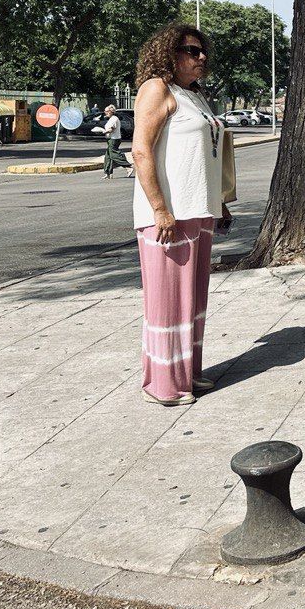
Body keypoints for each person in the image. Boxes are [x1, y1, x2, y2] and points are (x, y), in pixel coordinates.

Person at [131, 24, 228, 406]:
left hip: (197, 211)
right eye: (191, 50)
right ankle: (163, 384)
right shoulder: (157, 89)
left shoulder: (194, 96)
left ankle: (187, 372)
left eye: (203, 51)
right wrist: (160, 209)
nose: (201, 57)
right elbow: (141, 150)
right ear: (170, 54)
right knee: (168, 300)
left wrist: (219, 202)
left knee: (192, 300)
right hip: (168, 215)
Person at [101, 105, 133, 179]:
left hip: (114, 139)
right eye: (105, 111)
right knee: (108, 156)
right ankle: (108, 173)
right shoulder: (111, 119)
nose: (105, 112)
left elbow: (111, 129)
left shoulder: (114, 119)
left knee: (114, 154)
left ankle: (128, 166)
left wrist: (104, 132)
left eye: (107, 111)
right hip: (111, 139)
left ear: (111, 111)